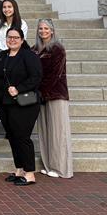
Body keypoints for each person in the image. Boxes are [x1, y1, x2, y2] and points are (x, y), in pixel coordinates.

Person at [0, 27, 43, 186]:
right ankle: (19, 169)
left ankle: (30, 173)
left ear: (22, 40)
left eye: (16, 37)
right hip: (5, 104)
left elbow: (36, 77)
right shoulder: (2, 56)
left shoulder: (29, 56)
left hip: (24, 103)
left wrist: (19, 89)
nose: (12, 40)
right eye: (10, 37)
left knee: (22, 137)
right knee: (13, 137)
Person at [33, 18, 73, 179]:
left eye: (46, 28)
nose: (43, 31)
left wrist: (41, 91)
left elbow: (54, 75)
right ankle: (48, 164)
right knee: (45, 131)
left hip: (56, 94)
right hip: (41, 96)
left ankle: (61, 168)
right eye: (40, 28)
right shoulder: (35, 49)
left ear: (52, 31)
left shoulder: (57, 49)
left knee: (58, 132)